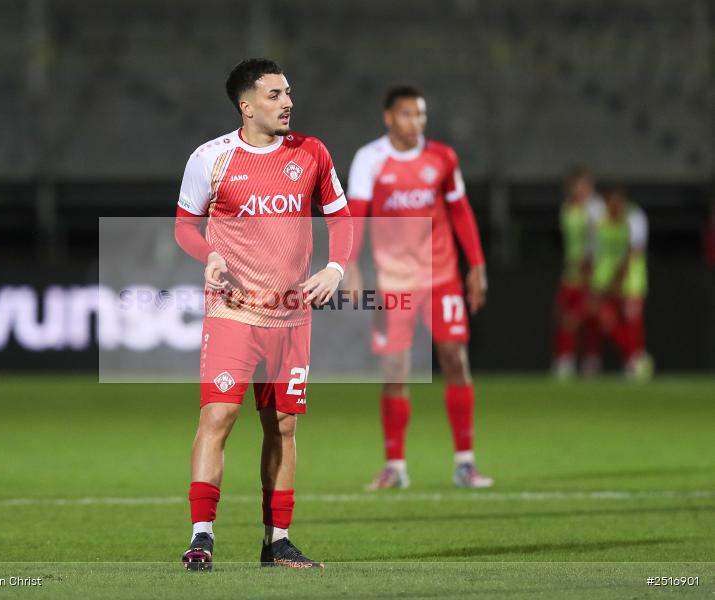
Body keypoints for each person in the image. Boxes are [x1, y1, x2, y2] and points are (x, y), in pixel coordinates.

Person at [174, 58, 352, 570]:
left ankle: (278, 542)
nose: (287, 102)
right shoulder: (210, 158)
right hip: (233, 312)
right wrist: (209, 254)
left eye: (288, 92)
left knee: (284, 427)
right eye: (275, 95)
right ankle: (202, 537)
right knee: (218, 415)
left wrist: (335, 268)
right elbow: (184, 227)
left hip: (292, 316)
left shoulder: (312, 153)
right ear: (246, 105)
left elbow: (341, 219)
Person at [343, 84, 492, 490]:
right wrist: (349, 265)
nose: (415, 122)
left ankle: (465, 463)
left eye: (420, 114)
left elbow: (460, 210)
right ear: (389, 117)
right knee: (395, 370)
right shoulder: (370, 159)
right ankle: (395, 466)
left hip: (441, 276)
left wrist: (477, 265)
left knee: (454, 359)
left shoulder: (442, 157)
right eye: (407, 114)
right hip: (393, 281)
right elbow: (356, 214)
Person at [587, 186, 654, 380]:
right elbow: (594, 252)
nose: (613, 207)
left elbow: (634, 251)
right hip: (604, 281)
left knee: (632, 323)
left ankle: (634, 360)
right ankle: (634, 357)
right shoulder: (599, 220)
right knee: (604, 321)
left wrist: (618, 278)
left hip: (630, 282)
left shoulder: (634, 218)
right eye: (610, 203)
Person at [552, 167, 606, 379]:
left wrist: (591, 269)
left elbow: (597, 241)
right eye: (574, 186)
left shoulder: (595, 209)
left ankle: (591, 359)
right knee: (564, 316)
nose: (577, 190)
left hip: (591, 272)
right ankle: (565, 359)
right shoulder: (566, 208)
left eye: (581, 186)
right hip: (571, 272)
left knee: (589, 317)